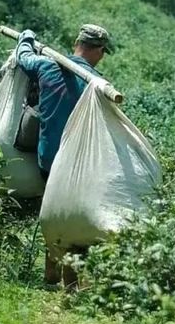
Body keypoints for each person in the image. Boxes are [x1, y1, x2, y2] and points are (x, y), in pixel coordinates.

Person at [15, 23, 115, 288]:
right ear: (99, 51)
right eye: (103, 52)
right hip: (81, 165)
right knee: (73, 215)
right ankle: (70, 282)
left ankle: (51, 273)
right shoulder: (97, 86)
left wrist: (26, 37)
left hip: (48, 160)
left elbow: (23, 58)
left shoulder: (46, 66)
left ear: (75, 43)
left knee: (54, 210)